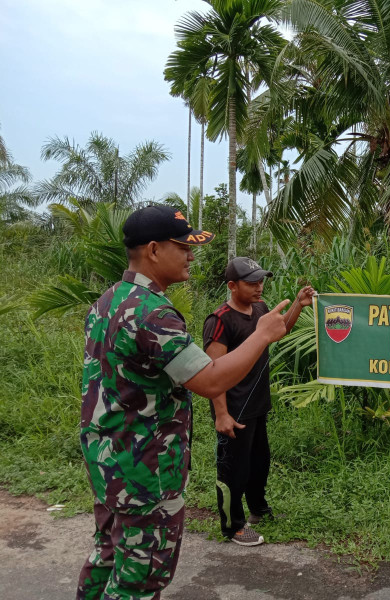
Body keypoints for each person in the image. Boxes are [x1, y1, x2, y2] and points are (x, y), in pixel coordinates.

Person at [77, 205, 291, 600]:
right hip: (144, 468)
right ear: (154, 250)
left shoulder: (109, 300)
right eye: (183, 246)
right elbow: (209, 381)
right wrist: (262, 336)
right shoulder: (153, 313)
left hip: (108, 457)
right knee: (140, 577)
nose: (192, 255)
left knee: (108, 554)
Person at [203, 257, 314, 546]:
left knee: (258, 463)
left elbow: (279, 332)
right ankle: (233, 526)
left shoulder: (261, 309)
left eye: (261, 281)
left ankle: (258, 509)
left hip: (258, 404)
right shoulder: (220, 321)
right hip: (234, 409)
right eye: (251, 283)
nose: (259, 287)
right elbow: (213, 374)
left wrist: (298, 306)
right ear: (232, 286)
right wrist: (221, 414)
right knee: (233, 470)